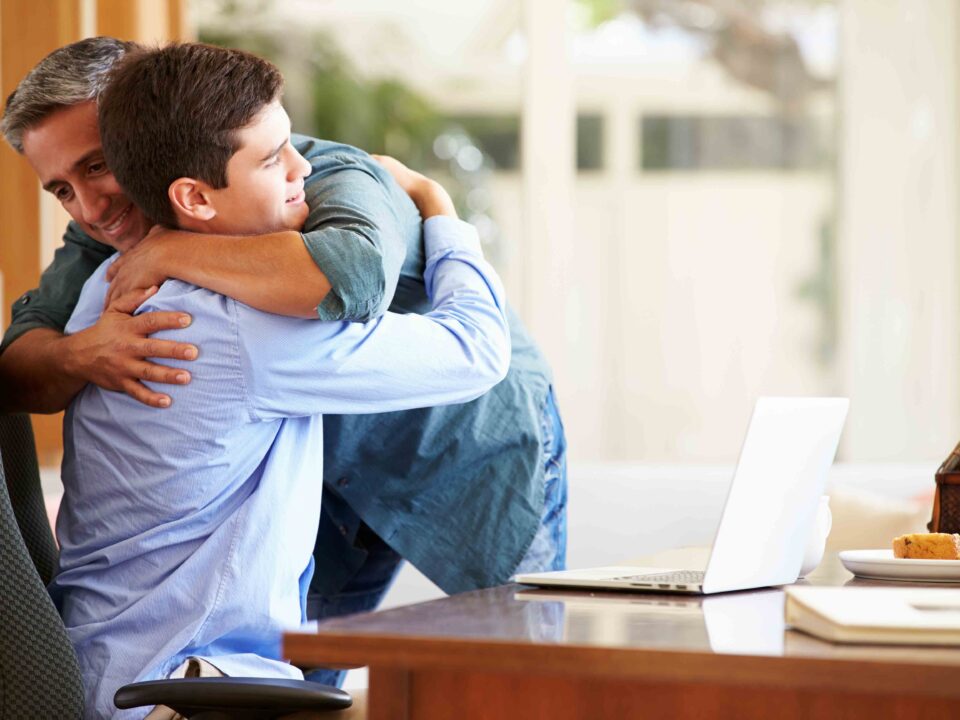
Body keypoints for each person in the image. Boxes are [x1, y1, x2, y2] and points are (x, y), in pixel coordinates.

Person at [1, 35, 566, 680]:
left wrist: (169, 251)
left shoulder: (317, 175)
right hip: (288, 471)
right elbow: (17, 362)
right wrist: (81, 352)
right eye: (63, 189)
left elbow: (348, 279)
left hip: (458, 439)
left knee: (538, 671)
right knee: (296, 672)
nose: (92, 209)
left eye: (99, 165)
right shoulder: (114, 262)